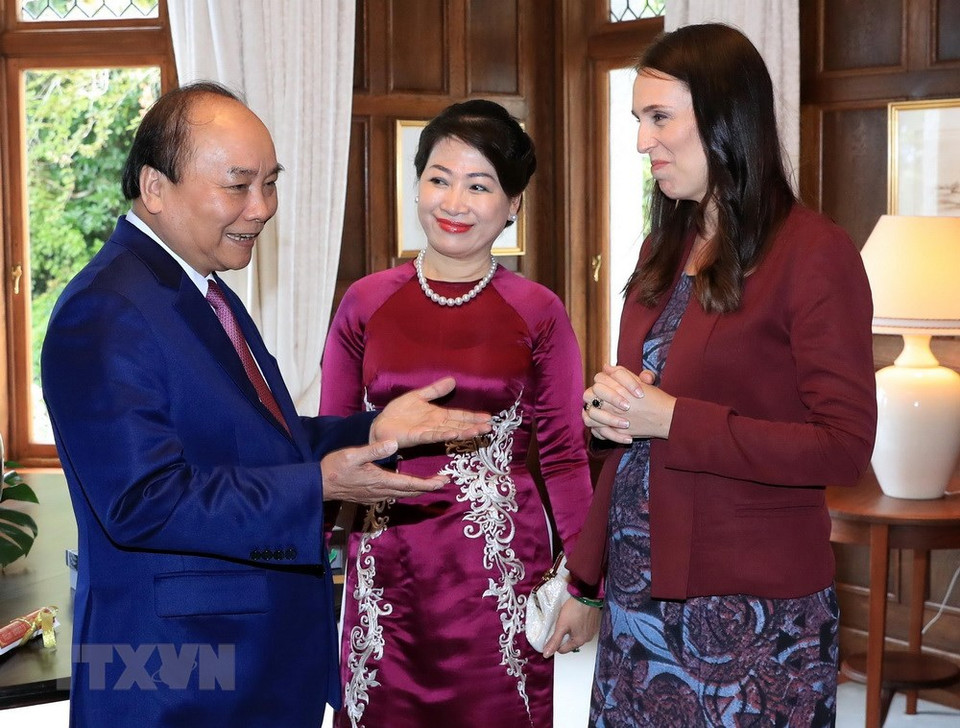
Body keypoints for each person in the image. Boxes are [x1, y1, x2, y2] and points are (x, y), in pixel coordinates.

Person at [40, 81, 492, 728]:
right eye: (238, 184)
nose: (262, 207)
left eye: (271, 183)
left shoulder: (200, 289)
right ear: (155, 187)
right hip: (177, 678)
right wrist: (318, 486)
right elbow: (144, 503)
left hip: (248, 667)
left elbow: (259, 443)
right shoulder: (107, 310)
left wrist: (371, 431)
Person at [554, 24, 878, 727]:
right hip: (638, 602)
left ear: (729, 117)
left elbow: (844, 446)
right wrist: (586, 582)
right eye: (638, 121)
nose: (644, 142)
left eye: (660, 117)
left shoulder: (814, 254)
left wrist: (673, 419)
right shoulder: (659, 248)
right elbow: (629, 444)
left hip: (754, 615)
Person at [319, 99, 595, 728]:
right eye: (438, 179)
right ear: (416, 185)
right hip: (387, 574)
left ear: (513, 204)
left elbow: (563, 455)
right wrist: (306, 574)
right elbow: (331, 443)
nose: (453, 203)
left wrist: (583, 585)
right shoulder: (366, 303)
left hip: (496, 579)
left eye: (479, 185)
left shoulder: (539, 311)